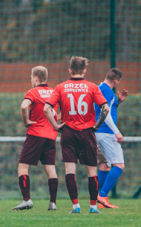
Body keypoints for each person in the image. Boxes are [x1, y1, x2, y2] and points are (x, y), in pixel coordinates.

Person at [43, 56, 109, 214]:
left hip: (68, 132)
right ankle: (93, 207)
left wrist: (56, 126)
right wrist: (96, 126)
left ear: (70, 70)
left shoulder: (60, 87)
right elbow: (105, 109)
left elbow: (47, 108)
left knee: (69, 170)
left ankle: (75, 206)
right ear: (85, 70)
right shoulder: (92, 87)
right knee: (92, 171)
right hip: (87, 132)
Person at [13, 66, 60, 211]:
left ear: (35, 78)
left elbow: (23, 106)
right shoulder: (54, 92)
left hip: (35, 135)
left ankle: (26, 200)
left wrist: (26, 121)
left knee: (23, 167)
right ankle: (53, 203)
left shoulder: (33, 92)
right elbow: (62, 111)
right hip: (51, 135)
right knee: (51, 169)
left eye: (30, 78)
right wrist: (56, 124)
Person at [95, 68, 128, 209]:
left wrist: (118, 102)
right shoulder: (108, 92)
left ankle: (98, 201)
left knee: (105, 165)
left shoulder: (97, 88)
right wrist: (117, 131)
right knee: (119, 165)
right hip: (107, 133)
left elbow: (102, 109)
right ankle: (102, 195)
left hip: (96, 132)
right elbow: (105, 112)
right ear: (116, 81)